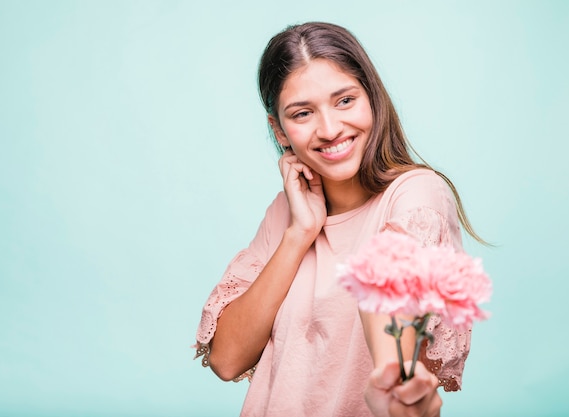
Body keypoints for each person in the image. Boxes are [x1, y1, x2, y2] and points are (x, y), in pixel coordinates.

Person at [194, 21, 483, 417]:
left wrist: (395, 382)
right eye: (302, 113)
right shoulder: (286, 212)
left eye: (345, 100)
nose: (330, 130)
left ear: (372, 99)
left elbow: (387, 304)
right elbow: (227, 359)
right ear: (279, 130)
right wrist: (299, 234)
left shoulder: (416, 193)